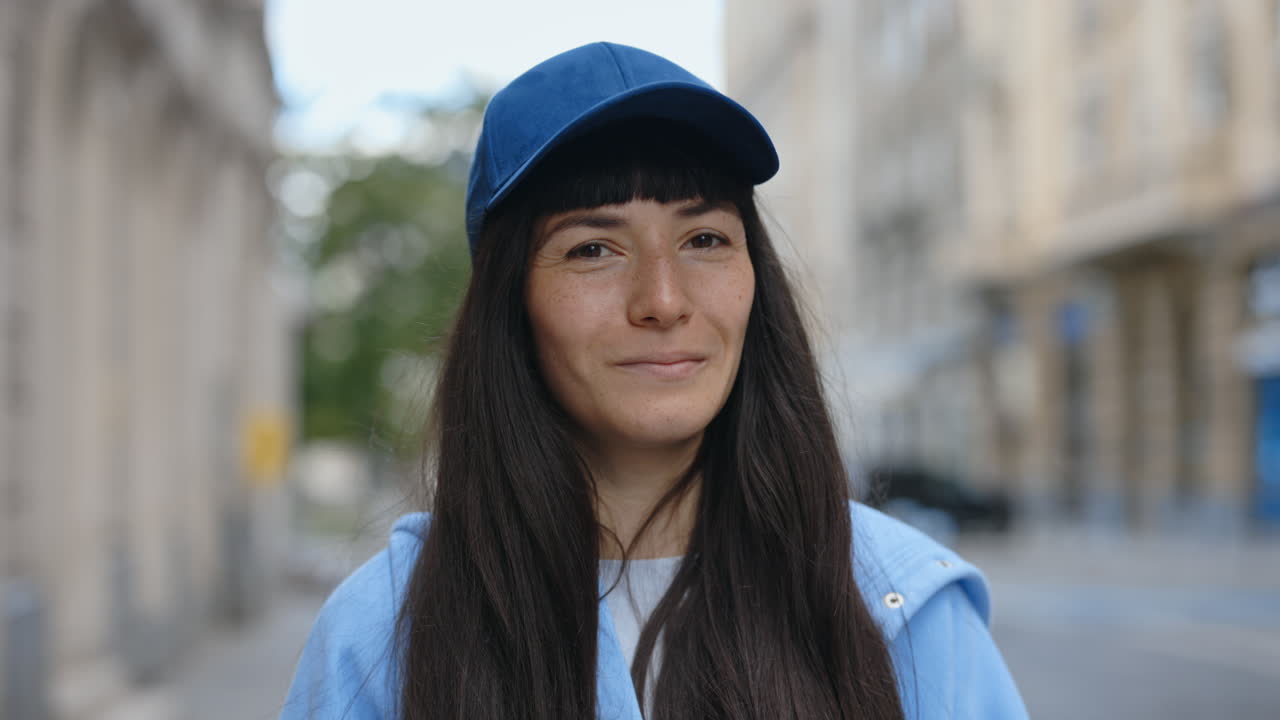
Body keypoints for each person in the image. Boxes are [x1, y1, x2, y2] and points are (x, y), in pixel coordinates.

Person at [280, 42, 1028, 720]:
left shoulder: (905, 609)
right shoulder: (381, 637)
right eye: (593, 249)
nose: (664, 301)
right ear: (511, 303)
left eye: (705, 238)